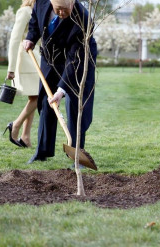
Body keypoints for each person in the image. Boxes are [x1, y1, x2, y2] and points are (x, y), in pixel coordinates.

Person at [23, 0, 97, 165]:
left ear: (72, 2)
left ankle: (77, 155)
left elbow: (74, 61)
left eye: (66, 9)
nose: (62, 13)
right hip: (51, 58)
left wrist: (61, 90)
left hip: (78, 61)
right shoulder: (40, 3)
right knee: (46, 101)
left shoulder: (83, 19)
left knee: (75, 105)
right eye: (58, 9)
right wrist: (31, 38)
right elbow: (35, 22)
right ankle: (42, 151)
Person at [4, 0, 40, 148]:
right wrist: (11, 68)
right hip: (27, 61)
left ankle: (25, 137)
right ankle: (16, 125)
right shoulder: (25, 11)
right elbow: (14, 39)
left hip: (38, 60)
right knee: (39, 96)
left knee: (34, 96)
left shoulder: (40, 11)